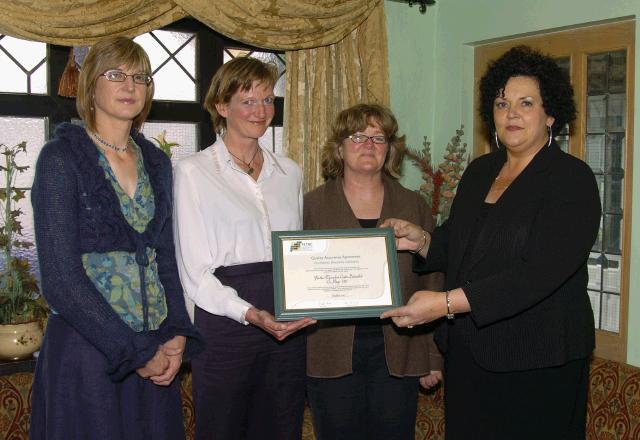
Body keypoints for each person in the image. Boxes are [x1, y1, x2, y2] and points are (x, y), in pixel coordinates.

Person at [381, 45, 601, 440]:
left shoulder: (572, 180)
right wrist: (422, 242)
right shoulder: (480, 171)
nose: (511, 113)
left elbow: (537, 274)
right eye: (502, 103)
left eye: (526, 103)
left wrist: (444, 304)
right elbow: (462, 243)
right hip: (470, 354)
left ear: (550, 114)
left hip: (539, 361)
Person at [30, 37, 204, 440]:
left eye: (139, 76)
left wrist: (177, 330)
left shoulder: (157, 162)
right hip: (87, 353)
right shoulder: (60, 159)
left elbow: (164, 257)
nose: (130, 85)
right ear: (91, 86)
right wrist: (134, 351)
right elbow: (60, 281)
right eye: (116, 75)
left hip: (155, 351)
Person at [173, 56, 315, 440]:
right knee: (223, 428)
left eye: (268, 99)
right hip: (224, 323)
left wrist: (316, 300)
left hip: (286, 323)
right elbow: (195, 275)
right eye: (247, 100)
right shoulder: (192, 173)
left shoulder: (290, 173)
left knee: (282, 426)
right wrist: (250, 314)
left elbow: (297, 254)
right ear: (222, 107)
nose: (261, 110)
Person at [304, 103, 443, 440]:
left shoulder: (414, 205)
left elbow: (434, 280)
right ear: (339, 148)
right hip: (330, 351)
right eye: (357, 136)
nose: (369, 145)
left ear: (390, 149)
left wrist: (433, 356)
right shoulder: (310, 206)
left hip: (399, 349)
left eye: (378, 138)